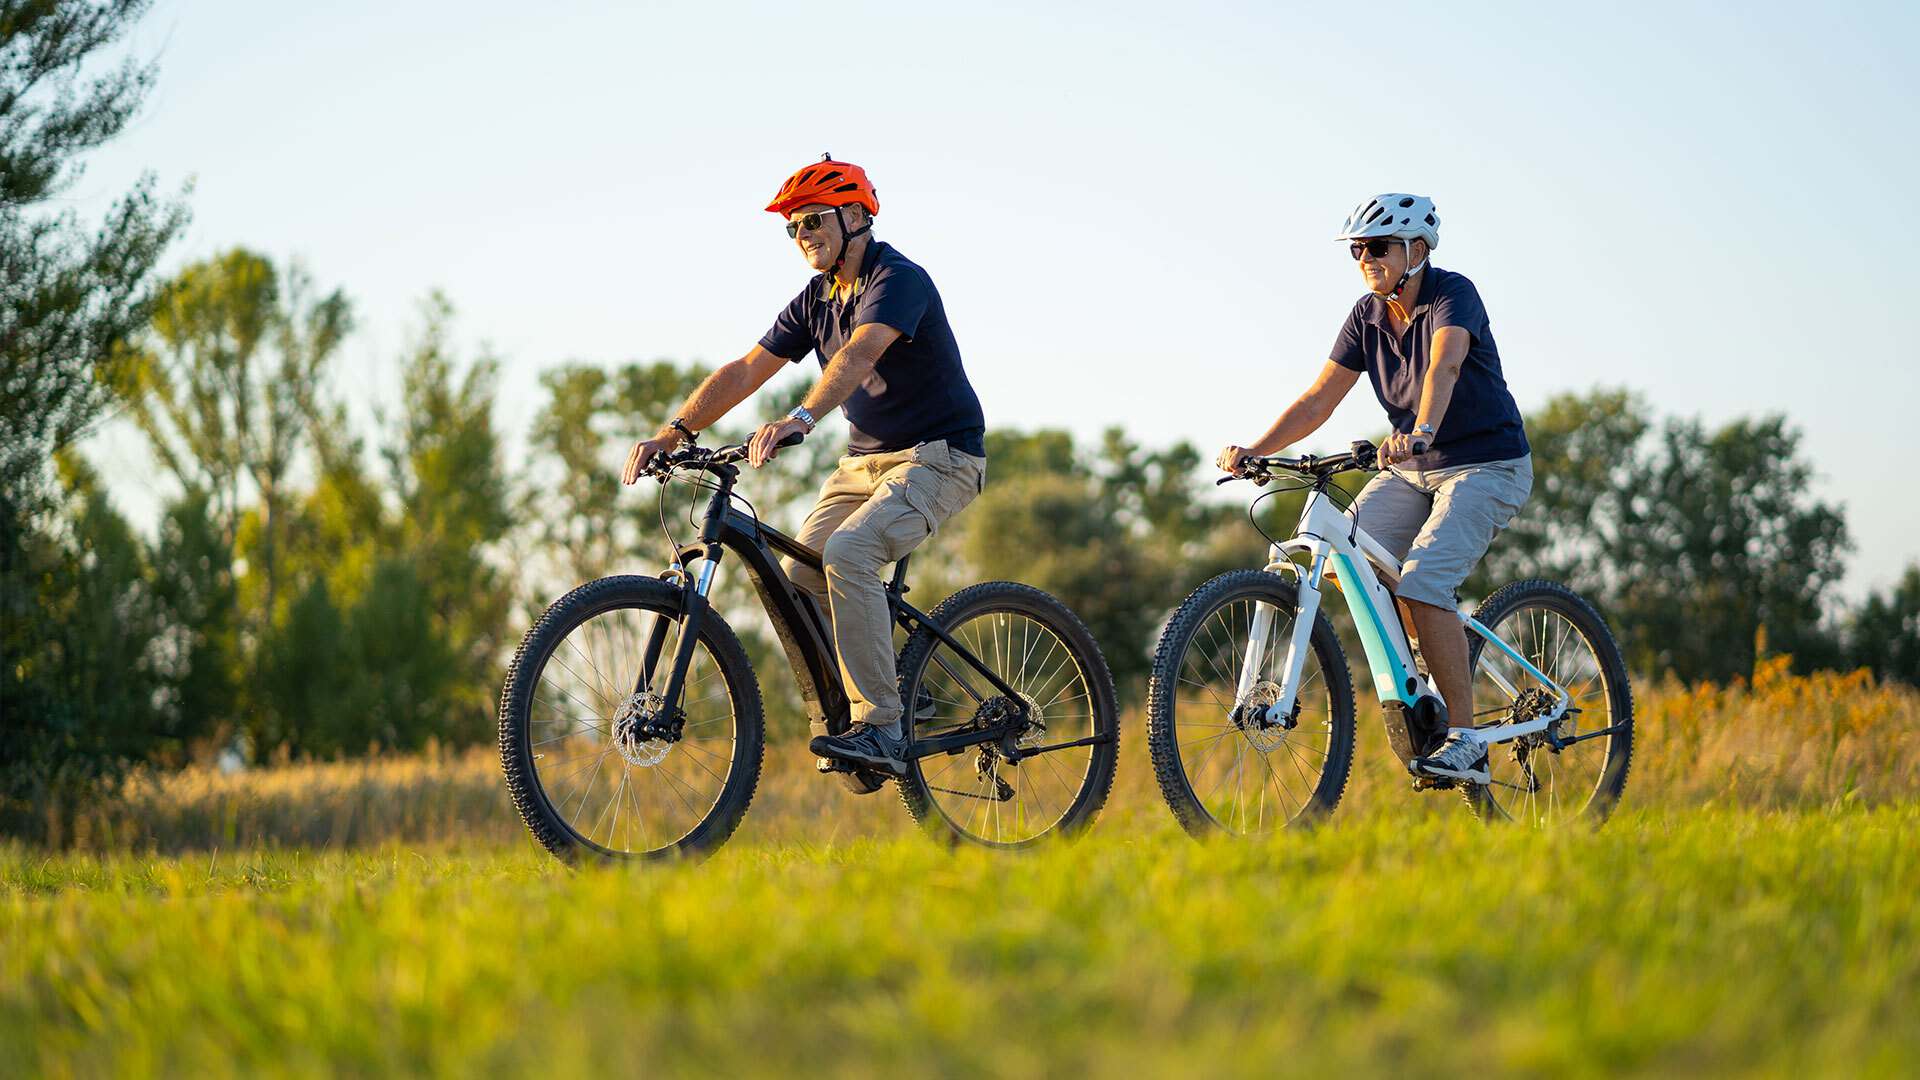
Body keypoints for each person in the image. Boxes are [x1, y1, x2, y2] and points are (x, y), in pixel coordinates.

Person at [621, 154, 987, 776]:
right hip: (864, 464)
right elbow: (745, 369)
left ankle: (882, 725)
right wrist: (675, 429)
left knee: (849, 554)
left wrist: (802, 418)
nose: (802, 237)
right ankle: (872, 698)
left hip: (940, 456)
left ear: (854, 216)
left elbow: (859, 355)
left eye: (813, 220)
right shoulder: (816, 298)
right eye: (791, 229)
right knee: (795, 576)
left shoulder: (897, 280)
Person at [1216, 194, 1532, 784]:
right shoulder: (1366, 315)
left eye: (1378, 247)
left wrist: (1422, 431)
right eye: (1357, 249)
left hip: (1486, 464)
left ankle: (1465, 740)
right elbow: (1318, 399)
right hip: (1410, 469)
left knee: (1425, 580)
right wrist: (1257, 450)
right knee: (1343, 563)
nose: (1366, 258)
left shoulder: (1451, 294)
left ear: (1417, 249)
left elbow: (1445, 367)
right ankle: (1430, 659)